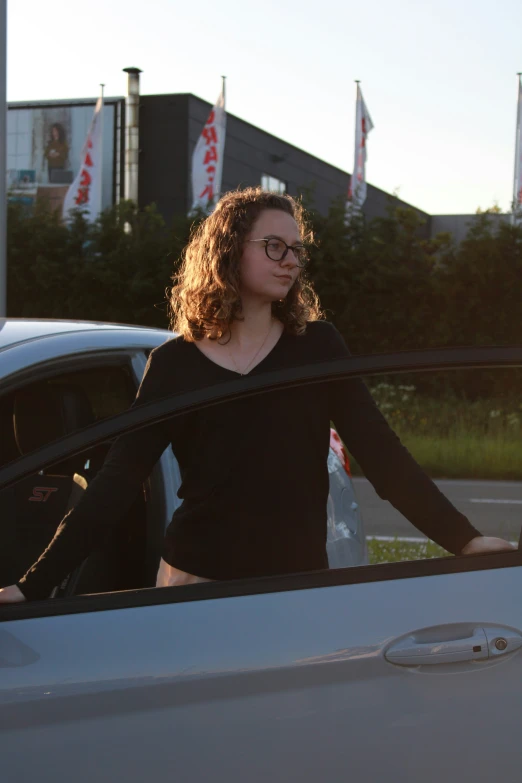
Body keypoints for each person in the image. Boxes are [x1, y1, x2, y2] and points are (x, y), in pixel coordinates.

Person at [0, 188, 514, 604]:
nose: (291, 261)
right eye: (274, 246)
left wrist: (463, 539)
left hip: (294, 585)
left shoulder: (318, 347)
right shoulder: (174, 364)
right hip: (192, 584)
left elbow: (382, 454)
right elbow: (116, 482)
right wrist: (32, 587)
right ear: (228, 250)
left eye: (297, 250)